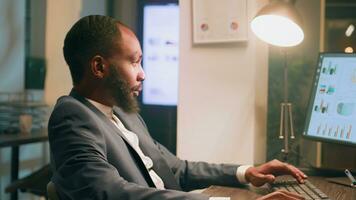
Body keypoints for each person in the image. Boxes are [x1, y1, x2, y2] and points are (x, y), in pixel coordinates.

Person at [48, 15, 306, 200]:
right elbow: (106, 191)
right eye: (134, 62)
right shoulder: (72, 116)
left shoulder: (124, 113)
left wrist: (246, 172)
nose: (143, 74)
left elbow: (177, 168)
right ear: (99, 67)